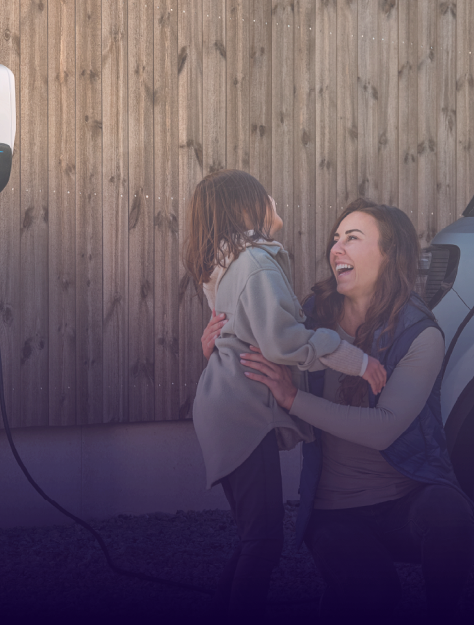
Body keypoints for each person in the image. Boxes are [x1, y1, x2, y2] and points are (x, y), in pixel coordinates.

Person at [222, 199, 474, 621]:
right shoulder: (311, 319)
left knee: (452, 515)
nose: (336, 248)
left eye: (352, 238)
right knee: (374, 596)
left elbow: (384, 429)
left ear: (389, 254)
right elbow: (256, 351)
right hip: (335, 512)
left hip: (407, 500)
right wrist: (218, 347)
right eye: (335, 239)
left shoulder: (421, 334)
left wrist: (295, 399)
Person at [182, 169, 388, 623]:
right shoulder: (255, 264)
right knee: (263, 541)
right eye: (263, 193)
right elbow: (285, 342)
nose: (272, 198)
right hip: (240, 414)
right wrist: (357, 360)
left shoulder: (227, 266)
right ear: (246, 209)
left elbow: (240, 333)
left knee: (254, 538)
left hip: (225, 407)